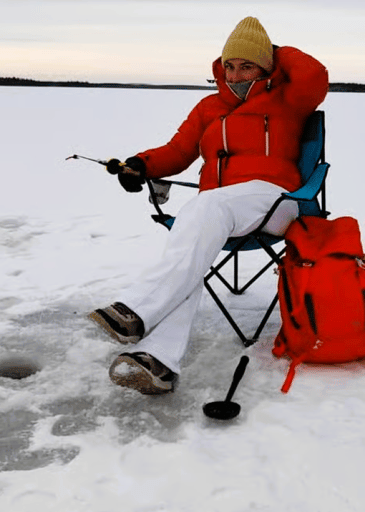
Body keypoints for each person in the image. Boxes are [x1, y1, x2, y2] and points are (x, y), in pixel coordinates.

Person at [88, 16, 329, 395]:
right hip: (218, 208)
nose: (235, 74)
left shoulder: (288, 100)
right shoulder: (208, 107)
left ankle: (139, 307)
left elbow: (315, 75)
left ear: (267, 66)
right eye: (230, 65)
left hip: (276, 201)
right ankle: (159, 361)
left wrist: (275, 52)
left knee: (203, 211)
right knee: (199, 223)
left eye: (247, 64)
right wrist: (141, 164)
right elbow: (178, 151)